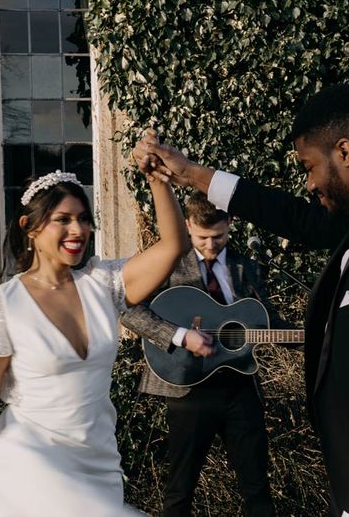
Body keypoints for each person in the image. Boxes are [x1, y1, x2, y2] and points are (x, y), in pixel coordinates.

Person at [133, 85, 349, 517]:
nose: (310, 183)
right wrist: (189, 173)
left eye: (310, 166)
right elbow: (300, 220)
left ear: (345, 151)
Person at [0, 151, 188, 516]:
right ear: (30, 227)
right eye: (63, 219)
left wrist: (156, 181)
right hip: (33, 466)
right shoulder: (0, 304)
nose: (78, 230)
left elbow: (174, 247)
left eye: (84, 219)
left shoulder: (104, 283)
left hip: (99, 466)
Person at [121, 191, 296, 516]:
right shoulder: (169, 263)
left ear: (230, 223)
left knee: (257, 489)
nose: (211, 245)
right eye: (202, 238)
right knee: (180, 491)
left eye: (218, 237)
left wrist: (310, 337)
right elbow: (129, 309)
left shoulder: (247, 268)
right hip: (187, 387)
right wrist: (180, 335)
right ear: (187, 225)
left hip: (240, 388)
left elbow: (267, 321)